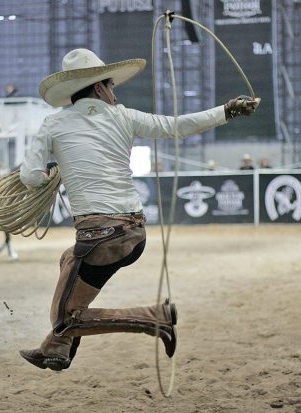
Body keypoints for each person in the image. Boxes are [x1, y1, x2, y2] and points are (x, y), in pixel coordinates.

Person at [18, 48, 259, 371]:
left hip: (99, 236)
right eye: (111, 86)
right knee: (68, 261)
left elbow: (31, 178)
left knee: (64, 316)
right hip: (132, 232)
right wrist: (227, 111)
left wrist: (50, 168)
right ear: (101, 88)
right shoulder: (125, 117)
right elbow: (178, 126)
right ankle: (56, 348)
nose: (114, 93)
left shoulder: (53, 125)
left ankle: (155, 319)